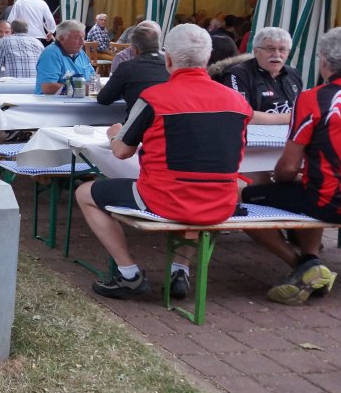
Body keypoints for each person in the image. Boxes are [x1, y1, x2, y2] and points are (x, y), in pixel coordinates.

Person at [74, 25, 253, 300]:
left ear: (168, 59)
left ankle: (129, 273)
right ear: (207, 60)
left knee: (84, 193)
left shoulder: (154, 98)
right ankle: (180, 269)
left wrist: (113, 135)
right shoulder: (238, 101)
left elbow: (122, 153)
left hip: (165, 198)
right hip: (221, 201)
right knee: (201, 186)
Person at [240, 27, 341, 304]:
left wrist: (280, 177)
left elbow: (287, 168)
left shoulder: (314, 98)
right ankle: (312, 259)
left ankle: (304, 265)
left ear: (324, 60)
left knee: (243, 203)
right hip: (330, 195)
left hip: (333, 202)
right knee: (308, 187)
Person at [214, 27, 303, 125]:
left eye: (282, 49)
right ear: (255, 51)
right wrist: (288, 118)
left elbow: (301, 109)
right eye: (270, 49)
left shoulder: (293, 74)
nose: (277, 54)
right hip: (254, 137)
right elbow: (239, 113)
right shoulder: (237, 74)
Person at [96, 24, 169, 118]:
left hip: (139, 125)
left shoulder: (127, 68)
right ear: (158, 44)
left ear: (135, 49)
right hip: (170, 125)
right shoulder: (170, 65)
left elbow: (104, 99)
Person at [35, 19, 97, 94]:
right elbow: (48, 87)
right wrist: (82, 89)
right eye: (77, 38)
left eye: (83, 38)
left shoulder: (81, 54)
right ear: (62, 39)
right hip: (55, 104)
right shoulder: (51, 53)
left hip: (80, 101)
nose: (82, 42)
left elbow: (93, 79)